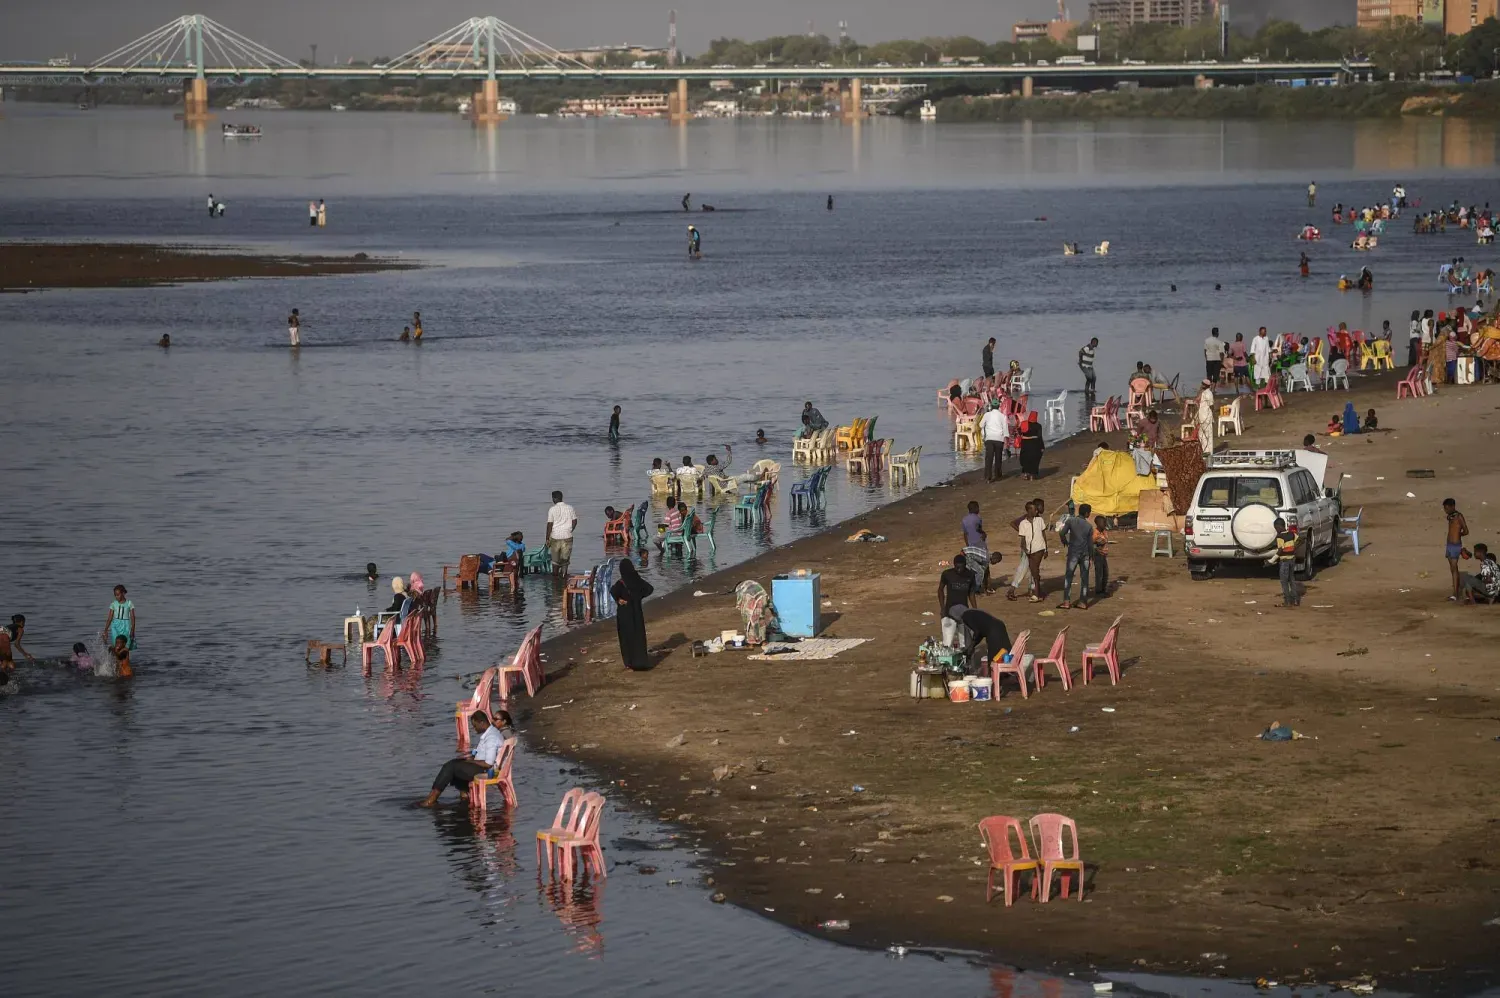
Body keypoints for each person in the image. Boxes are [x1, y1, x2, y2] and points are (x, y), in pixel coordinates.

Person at [418, 709, 514, 807]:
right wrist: (470, 758)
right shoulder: (489, 734)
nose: (474, 728)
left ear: (482, 722)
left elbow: (488, 763)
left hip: (488, 771)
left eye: (475, 725)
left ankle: (431, 799)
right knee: (454, 763)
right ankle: (465, 796)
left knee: (451, 768)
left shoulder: (491, 737)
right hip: (484, 766)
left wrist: (471, 761)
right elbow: (481, 754)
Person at [611, 559, 656, 670]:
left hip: (624, 614)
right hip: (637, 613)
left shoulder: (621, 583)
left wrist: (619, 600)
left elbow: (613, 591)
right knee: (638, 637)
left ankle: (628, 662)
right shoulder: (637, 580)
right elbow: (650, 589)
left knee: (626, 638)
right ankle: (640, 661)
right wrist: (638, 597)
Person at [1058, 503, 1094, 610]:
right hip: (1085, 555)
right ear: (1087, 513)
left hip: (1073, 553)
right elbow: (1090, 544)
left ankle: (1066, 602)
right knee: (1085, 579)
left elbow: (1061, 533)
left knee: (1068, 577)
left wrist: (1064, 541)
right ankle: (1083, 602)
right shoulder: (1089, 526)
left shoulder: (1071, 521)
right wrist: (1091, 557)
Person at [937, 554, 978, 646]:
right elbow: (940, 590)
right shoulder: (947, 574)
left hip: (963, 614)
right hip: (948, 612)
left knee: (964, 643)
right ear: (954, 565)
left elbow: (971, 594)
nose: (959, 570)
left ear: (965, 565)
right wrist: (942, 608)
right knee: (947, 642)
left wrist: (975, 610)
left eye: (961, 567)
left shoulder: (970, 575)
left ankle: (965, 660)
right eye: (957, 567)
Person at [958, 608, 1013, 676]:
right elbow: (981, 633)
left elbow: (977, 632)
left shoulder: (966, 617)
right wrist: (973, 645)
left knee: (993, 658)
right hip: (1000, 626)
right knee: (1005, 652)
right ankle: (1006, 675)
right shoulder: (973, 614)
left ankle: (995, 679)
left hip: (993, 631)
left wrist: (971, 646)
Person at [546, 491, 577, 578]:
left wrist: (547, 539)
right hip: (567, 537)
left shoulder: (552, 509)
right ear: (561, 497)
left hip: (555, 537)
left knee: (555, 561)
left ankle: (555, 581)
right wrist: (570, 530)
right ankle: (564, 577)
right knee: (565, 561)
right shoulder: (570, 508)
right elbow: (575, 521)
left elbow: (549, 525)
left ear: (554, 498)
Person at [1443, 498, 1470, 601]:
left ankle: (1455, 593)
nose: (1446, 510)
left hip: (1455, 545)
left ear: (1452, 506)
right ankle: (1455, 591)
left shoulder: (1459, 516)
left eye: (1447, 508)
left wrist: (1459, 534)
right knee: (1452, 569)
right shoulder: (1450, 516)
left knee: (1454, 569)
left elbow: (1466, 531)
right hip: (1449, 544)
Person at [1273, 517, 1300, 608]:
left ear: (1279, 526)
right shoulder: (1291, 534)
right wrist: (1294, 548)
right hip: (1292, 559)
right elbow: (1300, 539)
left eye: (1276, 528)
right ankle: (1295, 600)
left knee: (1284, 582)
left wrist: (1271, 560)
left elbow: (1280, 550)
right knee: (1292, 579)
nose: (1276, 530)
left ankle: (1287, 601)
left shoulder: (1280, 537)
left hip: (1284, 561)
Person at [980, 402, 1008, 483]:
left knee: (989, 458)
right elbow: (1005, 429)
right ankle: (998, 474)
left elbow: (980, 425)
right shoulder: (1003, 416)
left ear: (991, 406)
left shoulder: (987, 415)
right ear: (999, 406)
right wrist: (1006, 441)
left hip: (989, 439)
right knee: (998, 457)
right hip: (999, 439)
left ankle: (988, 477)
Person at [101, 586, 135, 651]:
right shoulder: (113, 604)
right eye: (115, 595)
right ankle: (115, 658)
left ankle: (125, 659)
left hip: (126, 626)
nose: (116, 597)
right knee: (116, 644)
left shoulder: (129, 603)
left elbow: (133, 618)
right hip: (115, 626)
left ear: (123, 593)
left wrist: (132, 630)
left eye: (118, 595)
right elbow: (110, 618)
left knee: (126, 644)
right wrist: (106, 630)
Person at [1195, 380, 1216, 456]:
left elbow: (1211, 405)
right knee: (1201, 435)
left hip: (1206, 416)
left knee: (1208, 435)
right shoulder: (1203, 393)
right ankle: (1205, 450)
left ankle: (1209, 452)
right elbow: (1197, 399)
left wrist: (1213, 415)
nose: (1201, 385)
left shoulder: (1209, 393)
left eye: (1203, 384)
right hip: (1202, 416)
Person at [1091, 515, 1110, 601]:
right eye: (1103, 522)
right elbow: (1091, 543)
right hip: (1098, 555)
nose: (1105, 524)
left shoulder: (1104, 531)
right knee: (1099, 573)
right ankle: (1099, 591)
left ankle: (1103, 589)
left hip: (1103, 555)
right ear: (1097, 523)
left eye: (1105, 522)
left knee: (1105, 573)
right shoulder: (1095, 533)